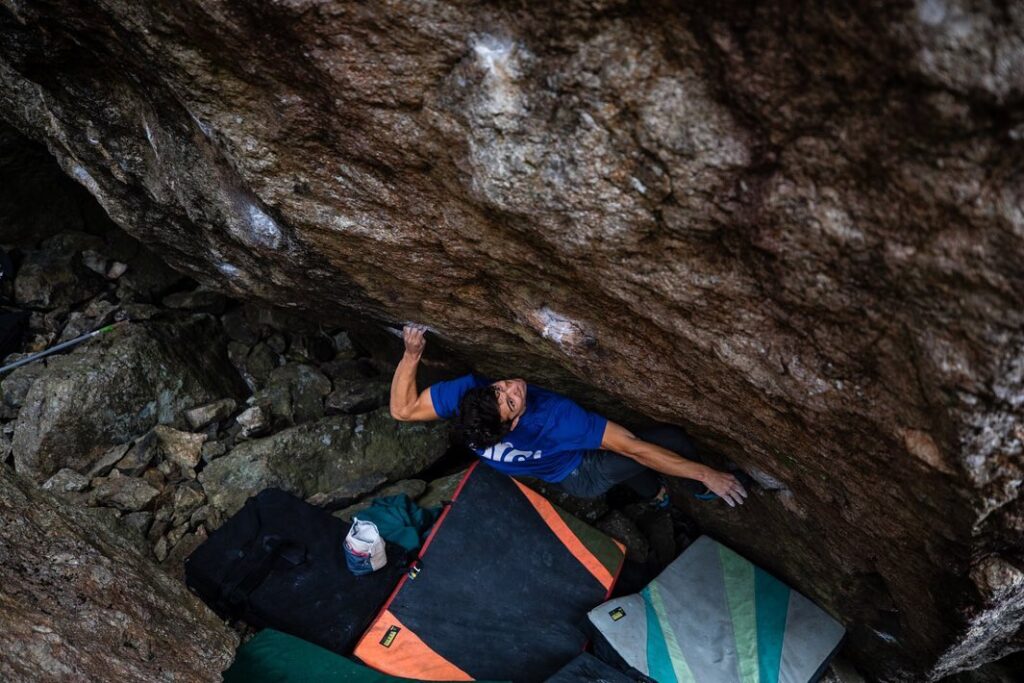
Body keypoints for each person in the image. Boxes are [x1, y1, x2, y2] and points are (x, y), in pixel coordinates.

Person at [389, 325, 748, 507]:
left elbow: (402, 410)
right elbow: (635, 448)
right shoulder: (557, 419)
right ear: (512, 423)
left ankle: (656, 496)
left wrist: (412, 354)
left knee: (624, 459)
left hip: (556, 464)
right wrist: (706, 473)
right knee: (668, 442)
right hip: (580, 475)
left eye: (499, 389)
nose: (513, 388)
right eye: (511, 403)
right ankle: (700, 492)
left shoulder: (469, 404)